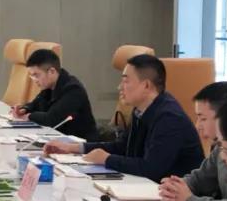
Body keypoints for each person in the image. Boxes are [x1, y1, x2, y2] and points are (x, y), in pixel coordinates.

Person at [45, 54, 203, 181]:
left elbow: (151, 169)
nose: (120, 87)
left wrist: (107, 159)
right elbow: (122, 147)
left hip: (175, 197)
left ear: (146, 85)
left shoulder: (169, 118)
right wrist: (74, 148)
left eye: (126, 81)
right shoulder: (141, 109)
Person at [11, 48, 97, 140]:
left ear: (52, 71)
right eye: (31, 75)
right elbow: (36, 104)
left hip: (80, 143)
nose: (34, 80)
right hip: (58, 139)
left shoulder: (73, 89)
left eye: (36, 75)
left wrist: (29, 116)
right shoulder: (50, 86)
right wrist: (24, 109)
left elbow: (51, 119)